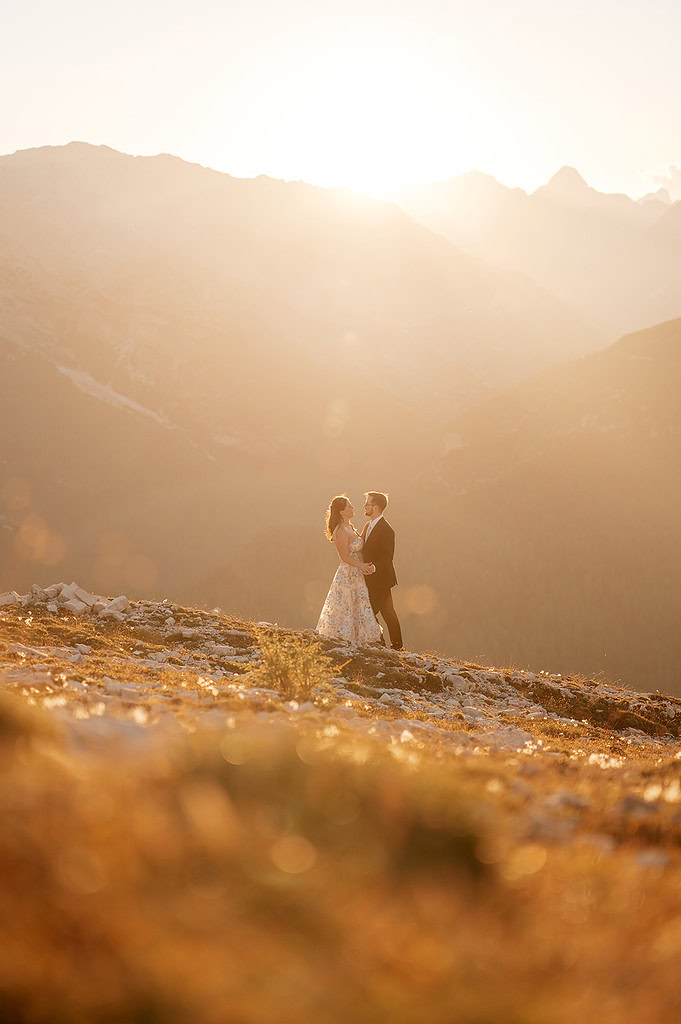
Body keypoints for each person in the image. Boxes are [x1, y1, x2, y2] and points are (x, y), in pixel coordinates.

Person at [316, 495, 382, 645]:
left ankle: (360, 637)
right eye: (349, 506)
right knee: (348, 604)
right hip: (348, 573)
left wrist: (366, 529)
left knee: (360, 603)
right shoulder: (340, 531)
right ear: (341, 511)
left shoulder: (350, 527)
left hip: (357, 572)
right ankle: (347, 636)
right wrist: (361, 565)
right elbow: (344, 557)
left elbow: (358, 543)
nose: (353, 508)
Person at [361, 491, 403, 650]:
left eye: (367, 503)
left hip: (381, 578)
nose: (364, 506)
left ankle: (381, 643)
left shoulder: (386, 529)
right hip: (373, 578)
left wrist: (374, 567)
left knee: (368, 611)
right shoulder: (368, 525)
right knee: (388, 612)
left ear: (376, 507)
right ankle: (397, 645)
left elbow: (387, 556)